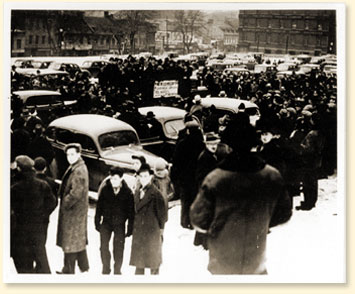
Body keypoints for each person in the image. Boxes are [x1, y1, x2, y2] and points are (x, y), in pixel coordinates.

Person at [190, 114, 292, 274]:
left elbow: (198, 220)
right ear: (253, 144)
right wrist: (259, 221)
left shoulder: (215, 179)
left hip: (222, 260)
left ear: (228, 146)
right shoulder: (271, 176)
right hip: (255, 259)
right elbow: (284, 214)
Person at [11, 155, 57, 273]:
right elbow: (52, 203)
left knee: (24, 268)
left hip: (19, 235)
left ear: (19, 169)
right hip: (38, 231)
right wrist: (42, 216)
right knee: (41, 263)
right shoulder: (42, 185)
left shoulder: (14, 189)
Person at [56, 143, 90, 274]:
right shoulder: (77, 167)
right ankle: (84, 266)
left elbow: (76, 192)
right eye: (68, 155)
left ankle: (68, 270)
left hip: (73, 212)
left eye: (72, 154)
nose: (69, 157)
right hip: (76, 211)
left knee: (70, 240)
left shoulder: (79, 170)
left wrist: (65, 202)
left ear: (79, 154)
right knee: (76, 239)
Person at [95, 167, 135, 275]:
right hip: (106, 222)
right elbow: (99, 206)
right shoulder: (105, 189)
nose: (113, 181)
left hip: (119, 224)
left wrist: (130, 227)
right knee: (103, 246)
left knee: (118, 247)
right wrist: (97, 220)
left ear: (121, 178)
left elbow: (131, 212)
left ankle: (117, 269)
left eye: (116, 179)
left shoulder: (127, 192)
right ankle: (106, 268)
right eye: (112, 178)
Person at [129, 163, 167, 275]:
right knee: (139, 262)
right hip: (140, 232)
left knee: (153, 262)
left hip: (152, 232)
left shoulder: (156, 194)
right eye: (141, 176)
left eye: (146, 176)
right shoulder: (137, 191)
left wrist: (160, 231)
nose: (143, 179)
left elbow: (162, 215)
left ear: (150, 177)